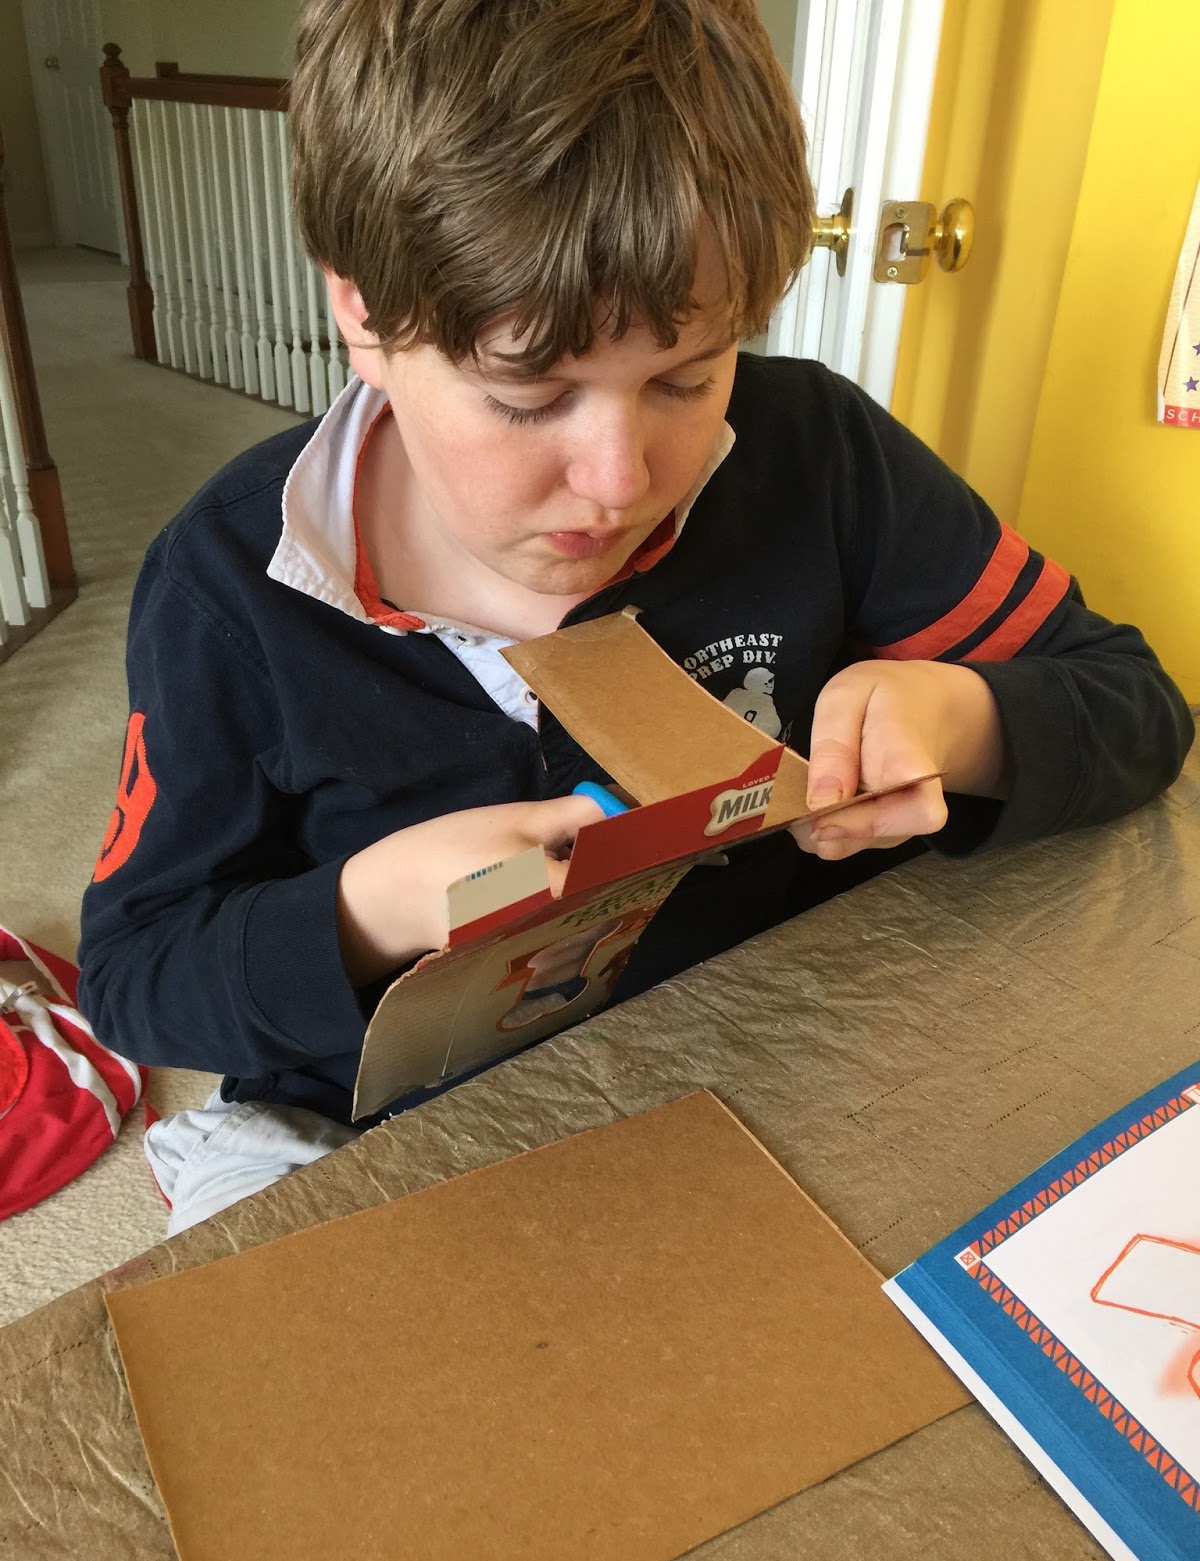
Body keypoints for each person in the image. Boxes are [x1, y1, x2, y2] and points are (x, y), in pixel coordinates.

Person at [77, 0, 1194, 1233]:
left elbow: (1137, 705)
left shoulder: (820, 456)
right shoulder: (228, 588)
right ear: (365, 316)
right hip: (358, 1115)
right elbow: (134, 979)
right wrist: (368, 910)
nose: (618, 480)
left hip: (749, 1049)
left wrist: (962, 717)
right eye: (528, 394)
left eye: (685, 378)